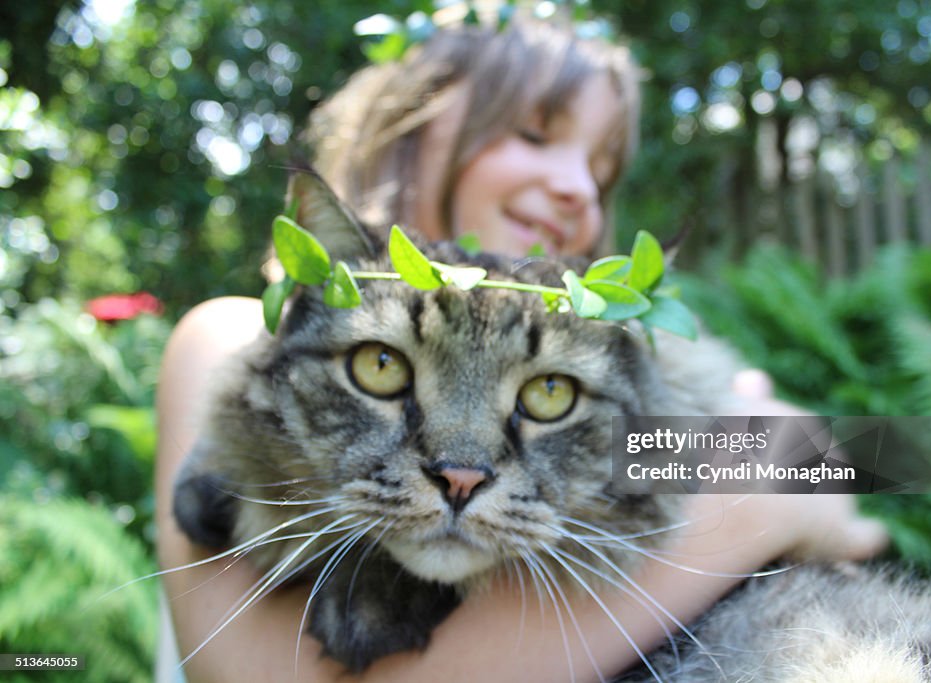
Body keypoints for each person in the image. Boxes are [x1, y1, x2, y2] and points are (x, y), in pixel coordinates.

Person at [155, 11, 888, 683]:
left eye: (600, 171)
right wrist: (759, 500)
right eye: (535, 134)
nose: (576, 188)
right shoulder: (231, 332)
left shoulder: (619, 363)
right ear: (412, 123)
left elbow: (867, 474)